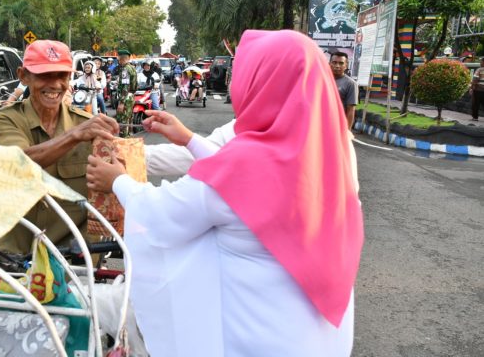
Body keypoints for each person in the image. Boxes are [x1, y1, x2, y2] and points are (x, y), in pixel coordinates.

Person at [86, 29, 363, 356]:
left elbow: (163, 214)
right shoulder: (331, 150)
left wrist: (117, 180)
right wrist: (190, 139)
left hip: (263, 339)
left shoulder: (251, 157)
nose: (235, 83)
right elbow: (246, 186)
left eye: (243, 74)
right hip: (319, 335)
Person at [0, 39, 119, 254]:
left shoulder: (88, 125)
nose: (55, 84)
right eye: (44, 75)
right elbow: (19, 162)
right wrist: (74, 136)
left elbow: (118, 178)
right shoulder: (5, 115)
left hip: (74, 256)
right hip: (17, 252)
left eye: (62, 75)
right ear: (23, 76)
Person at [330, 51, 358, 129]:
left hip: (337, 127)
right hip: (318, 125)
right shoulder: (321, 79)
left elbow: (351, 110)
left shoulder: (351, 84)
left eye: (341, 63)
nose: (337, 66)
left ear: (346, 65)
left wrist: (347, 132)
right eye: (334, 62)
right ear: (330, 64)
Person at [114, 49, 138, 136]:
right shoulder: (132, 68)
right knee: (129, 120)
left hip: (126, 97)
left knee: (123, 122)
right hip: (131, 96)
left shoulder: (125, 70)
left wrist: (121, 102)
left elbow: (125, 86)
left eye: (118, 58)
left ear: (121, 58)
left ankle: (123, 143)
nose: (118, 61)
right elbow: (135, 85)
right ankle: (128, 140)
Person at [469, 57, 484, 121]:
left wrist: (471, 88)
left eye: (481, 61)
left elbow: (475, 79)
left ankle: (475, 117)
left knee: (475, 104)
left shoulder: (479, 70)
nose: (480, 63)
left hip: (478, 89)